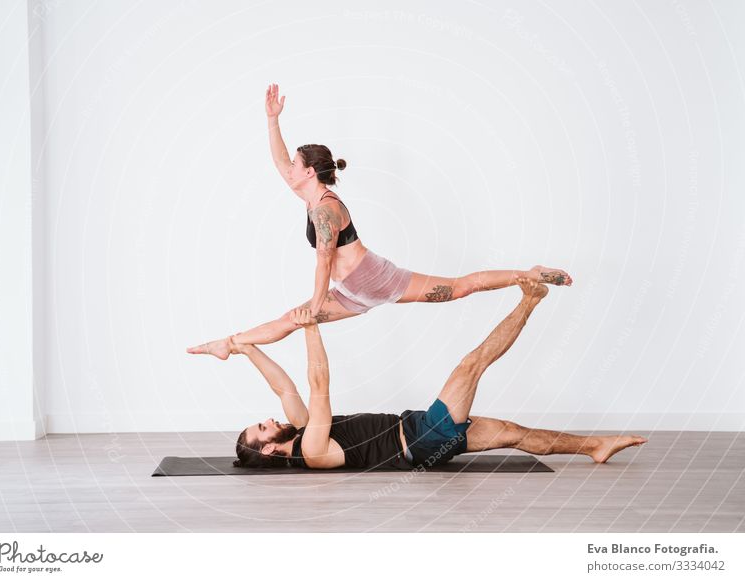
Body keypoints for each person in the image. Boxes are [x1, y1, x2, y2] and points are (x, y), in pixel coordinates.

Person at [186, 83, 573, 359]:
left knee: (460, 287)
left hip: (374, 279)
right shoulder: (307, 193)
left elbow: (323, 262)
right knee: (289, 320)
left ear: (310, 173)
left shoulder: (324, 210)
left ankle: (531, 272)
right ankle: (229, 344)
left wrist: (317, 307)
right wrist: (272, 120)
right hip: (352, 292)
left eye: (296, 167)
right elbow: (278, 160)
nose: (290, 169)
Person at [230, 278, 647, 470]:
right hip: (422, 436)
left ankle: (596, 446)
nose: (268, 420)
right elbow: (318, 383)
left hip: (419, 435)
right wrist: (310, 325)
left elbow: (283, 386)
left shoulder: (300, 430)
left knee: (514, 434)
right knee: (472, 363)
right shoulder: (312, 450)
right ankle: (530, 300)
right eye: (262, 428)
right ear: (269, 450)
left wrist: (245, 347)